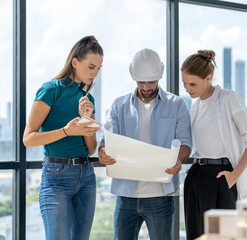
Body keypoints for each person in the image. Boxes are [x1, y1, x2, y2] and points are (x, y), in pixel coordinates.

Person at [98, 48, 192, 240]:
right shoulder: (118, 105)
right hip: (126, 196)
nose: (147, 87)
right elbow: (107, 138)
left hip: (161, 196)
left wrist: (179, 160)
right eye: (142, 82)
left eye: (152, 81)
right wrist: (102, 151)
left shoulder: (177, 104)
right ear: (133, 76)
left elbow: (185, 143)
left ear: (160, 76)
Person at [23, 36, 103, 240]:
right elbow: (28, 138)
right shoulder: (51, 89)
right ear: (75, 62)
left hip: (86, 176)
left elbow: (91, 148)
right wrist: (66, 131)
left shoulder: (88, 100)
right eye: (91, 67)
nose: (94, 74)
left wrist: (87, 119)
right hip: (56, 177)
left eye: (98, 69)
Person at [181, 50, 247, 240]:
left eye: (192, 84)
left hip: (221, 176)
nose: (187, 88)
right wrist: (197, 166)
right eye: (184, 83)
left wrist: (234, 175)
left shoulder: (229, 99)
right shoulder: (195, 106)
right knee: (196, 234)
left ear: (208, 78)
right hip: (197, 175)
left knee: (222, 235)